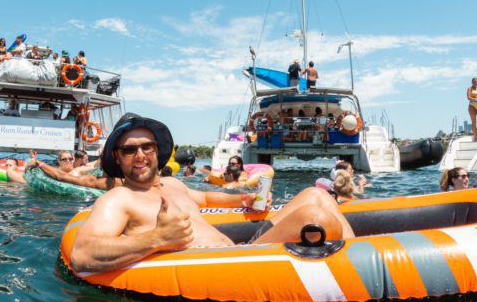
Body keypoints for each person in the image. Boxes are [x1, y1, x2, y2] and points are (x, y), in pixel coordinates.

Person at [68, 114, 354, 274]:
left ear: (157, 151)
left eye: (147, 147)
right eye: (129, 150)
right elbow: (82, 253)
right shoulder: (119, 198)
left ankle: (369, 266)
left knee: (315, 196)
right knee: (314, 218)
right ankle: (362, 278)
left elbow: (205, 199)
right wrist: (156, 239)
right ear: (117, 158)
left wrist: (244, 199)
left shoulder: (172, 186)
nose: (140, 155)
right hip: (229, 267)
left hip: (241, 250)